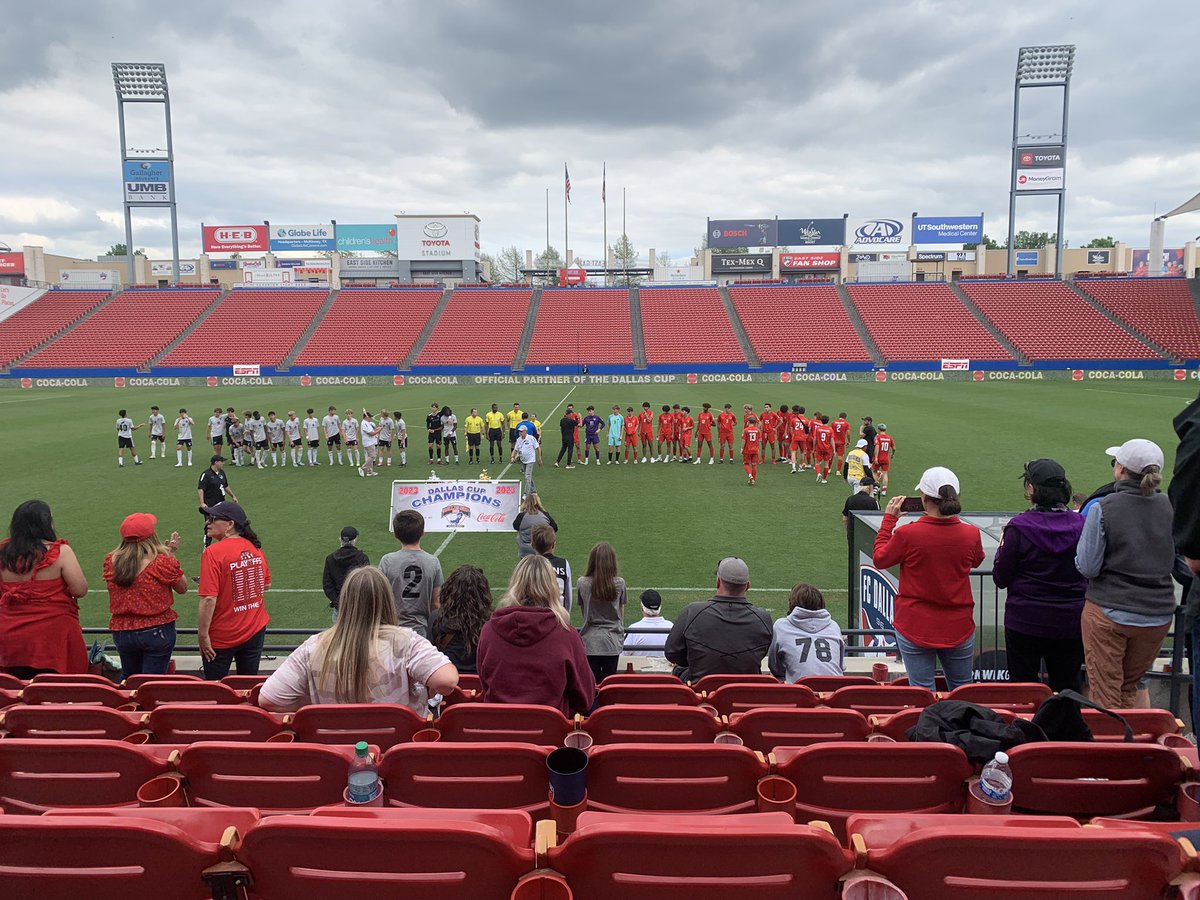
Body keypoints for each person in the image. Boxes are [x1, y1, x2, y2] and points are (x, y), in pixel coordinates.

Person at [259, 567, 458, 714]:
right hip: (395, 753)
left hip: (334, 753)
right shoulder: (405, 641)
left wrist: (311, 703)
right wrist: (428, 691)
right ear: (387, 600)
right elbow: (447, 681)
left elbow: (269, 698)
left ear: (345, 602)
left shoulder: (314, 646)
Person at [1075, 439, 1175, 709]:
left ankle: (1111, 748)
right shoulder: (1169, 507)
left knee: (1106, 695)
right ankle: (1129, 746)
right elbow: (1177, 561)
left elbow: (1087, 566)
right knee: (1128, 690)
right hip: (1157, 616)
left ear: (1121, 470)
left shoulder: (1103, 507)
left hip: (1110, 611)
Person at [873, 467, 984, 691]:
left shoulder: (909, 535)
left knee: (922, 693)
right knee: (962, 691)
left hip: (916, 624)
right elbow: (976, 561)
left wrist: (888, 521)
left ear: (924, 499)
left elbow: (880, 558)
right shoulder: (971, 534)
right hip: (958, 625)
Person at [992, 459, 1087, 692]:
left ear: (1032, 489)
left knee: (1023, 692)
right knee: (1068, 691)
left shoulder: (1019, 527)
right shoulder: (1082, 524)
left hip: (1026, 620)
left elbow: (1001, 577)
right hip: (1070, 620)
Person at [476, 555, 595, 716]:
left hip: (500, 733)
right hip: (549, 736)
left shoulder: (489, 631)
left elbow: (485, 684)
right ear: (551, 587)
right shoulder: (567, 636)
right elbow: (585, 699)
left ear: (515, 585)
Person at [0, 500, 89, 676]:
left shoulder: (2, 553)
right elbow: (80, 589)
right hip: (54, 637)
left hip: (10, 637)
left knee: (15, 692)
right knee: (57, 692)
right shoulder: (61, 552)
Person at [665, 557, 772, 682]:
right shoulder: (763, 618)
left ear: (718, 582)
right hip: (745, 693)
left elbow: (672, 653)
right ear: (747, 586)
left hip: (701, 691)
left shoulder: (692, 612)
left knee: (679, 670)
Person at [104, 512, 185, 678]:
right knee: (152, 683)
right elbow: (182, 587)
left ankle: (127, 703)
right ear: (151, 535)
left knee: (129, 678)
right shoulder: (162, 561)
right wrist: (170, 554)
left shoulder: (112, 561)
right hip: (156, 630)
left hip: (123, 631)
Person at [197, 501, 270, 680]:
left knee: (216, 691)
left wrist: (203, 635)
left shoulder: (213, 552)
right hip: (255, 629)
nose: (208, 522)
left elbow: (208, 599)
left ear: (230, 525)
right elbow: (265, 584)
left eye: (213, 518)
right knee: (248, 685)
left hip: (223, 635)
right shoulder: (254, 547)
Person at [379, 509, 443, 639]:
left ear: (396, 534)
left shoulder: (387, 561)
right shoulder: (433, 562)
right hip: (421, 631)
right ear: (422, 532)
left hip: (393, 629)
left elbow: (379, 598)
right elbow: (436, 603)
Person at [768, 584, 845, 681]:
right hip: (834, 692)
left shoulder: (781, 626)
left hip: (801, 694)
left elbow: (776, 670)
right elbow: (840, 667)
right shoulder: (833, 626)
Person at [577, 541, 628, 682]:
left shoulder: (582, 583)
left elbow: (583, 610)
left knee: (592, 685)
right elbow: (620, 611)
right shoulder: (619, 583)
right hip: (612, 642)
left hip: (590, 641)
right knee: (608, 683)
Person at [429, 564, 494, 674]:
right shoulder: (493, 622)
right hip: (480, 686)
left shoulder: (436, 618)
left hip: (448, 685)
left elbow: (430, 660)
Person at [322, 526, 370, 623]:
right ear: (355, 540)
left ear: (340, 539)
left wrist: (338, 603)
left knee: (339, 636)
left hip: (339, 608)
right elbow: (366, 583)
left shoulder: (330, 559)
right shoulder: (362, 558)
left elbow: (327, 585)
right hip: (358, 607)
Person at [197, 454, 238, 546]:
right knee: (210, 523)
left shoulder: (221, 473)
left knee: (224, 522)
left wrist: (233, 496)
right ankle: (207, 544)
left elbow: (225, 485)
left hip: (221, 503)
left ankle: (224, 542)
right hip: (210, 504)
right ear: (215, 462)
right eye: (221, 461)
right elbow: (201, 489)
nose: (223, 463)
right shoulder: (206, 474)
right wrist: (202, 503)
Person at [532, 523, 572, 612]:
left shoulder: (529, 565)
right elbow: (568, 597)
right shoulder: (563, 564)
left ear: (533, 545)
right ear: (553, 545)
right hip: (558, 616)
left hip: (536, 617)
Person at [624, 589, 674, 657]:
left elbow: (622, 656)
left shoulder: (633, 630)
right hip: (665, 667)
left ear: (642, 608)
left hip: (640, 667)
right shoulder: (671, 627)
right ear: (660, 607)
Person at [514, 493, 557, 558]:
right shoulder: (545, 515)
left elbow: (515, 526)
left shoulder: (521, 516)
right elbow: (555, 528)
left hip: (525, 551)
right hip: (541, 549)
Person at [842, 474, 880, 540]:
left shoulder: (850, 499)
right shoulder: (873, 502)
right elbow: (878, 520)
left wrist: (849, 532)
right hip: (868, 536)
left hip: (853, 534)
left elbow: (845, 519)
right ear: (870, 487)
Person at [511, 425, 542, 494]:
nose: (520, 433)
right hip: (522, 461)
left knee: (527, 476)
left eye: (521, 431)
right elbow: (515, 450)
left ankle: (526, 494)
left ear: (525, 431)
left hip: (530, 460)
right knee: (528, 476)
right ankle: (534, 491)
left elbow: (538, 448)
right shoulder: (518, 440)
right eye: (519, 431)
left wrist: (539, 458)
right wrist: (512, 457)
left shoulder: (531, 438)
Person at [874, 424, 896, 495]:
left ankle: (876, 487)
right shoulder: (889, 438)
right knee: (885, 474)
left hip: (878, 458)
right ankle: (884, 490)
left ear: (879, 429)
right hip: (886, 458)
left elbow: (877, 447)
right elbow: (894, 448)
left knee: (874, 472)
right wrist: (892, 454)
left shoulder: (878, 437)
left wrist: (876, 457)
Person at [742, 413, 761, 485]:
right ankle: (753, 480)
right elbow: (759, 440)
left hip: (747, 449)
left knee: (746, 464)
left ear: (748, 422)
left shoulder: (746, 430)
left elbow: (744, 440)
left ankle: (751, 477)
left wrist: (741, 448)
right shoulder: (758, 430)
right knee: (754, 465)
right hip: (755, 449)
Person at [359, 410, 379, 477]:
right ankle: (362, 468)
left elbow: (372, 431)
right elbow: (371, 433)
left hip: (370, 442)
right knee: (372, 456)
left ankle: (369, 472)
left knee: (370, 456)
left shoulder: (367, 423)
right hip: (368, 442)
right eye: (369, 417)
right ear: (366, 417)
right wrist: (380, 430)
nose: (370, 418)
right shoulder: (364, 423)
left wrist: (378, 429)